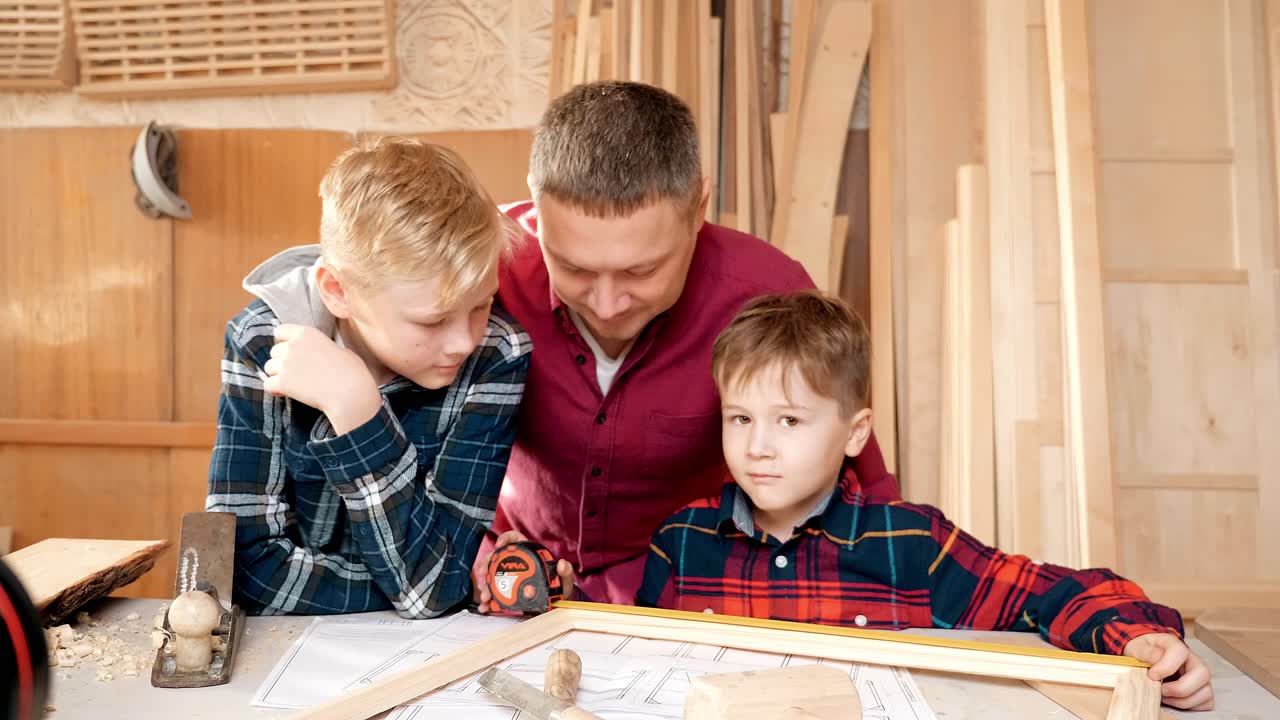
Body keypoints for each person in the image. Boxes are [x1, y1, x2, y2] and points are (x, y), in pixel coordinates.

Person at [636, 291, 1214, 711]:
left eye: (789, 419)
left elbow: (1057, 592)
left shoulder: (912, 545)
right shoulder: (682, 545)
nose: (757, 446)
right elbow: (633, 671)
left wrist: (1136, 637)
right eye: (740, 418)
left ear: (856, 433)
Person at [475, 81, 901, 607]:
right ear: (538, 209)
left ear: (699, 207)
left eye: (641, 270)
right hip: (512, 576)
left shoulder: (766, 294)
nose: (606, 305)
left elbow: (855, 481)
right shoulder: (481, 264)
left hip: (686, 593)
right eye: (575, 268)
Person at [206, 137, 536, 618]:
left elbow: (431, 592)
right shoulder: (261, 340)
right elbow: (244, 573)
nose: (464, 341)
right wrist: (425, 584)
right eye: (431, 321)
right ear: (338, 291)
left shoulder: (497, 353)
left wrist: (360, 416)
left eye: (482, 304)